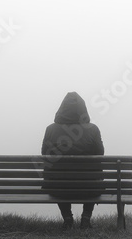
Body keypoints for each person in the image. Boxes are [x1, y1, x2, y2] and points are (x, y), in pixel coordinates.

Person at [41, 92, 104, 229]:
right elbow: (100, 154)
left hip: (58, 187)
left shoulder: (50, 129)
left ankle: (68, 218)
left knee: (59, 176)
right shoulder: (93, 129)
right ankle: (86, 218)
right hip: (89, 187)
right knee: (94, 177)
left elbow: (44, 154)